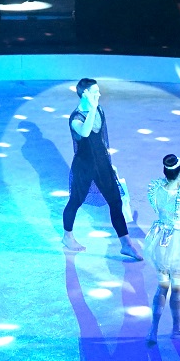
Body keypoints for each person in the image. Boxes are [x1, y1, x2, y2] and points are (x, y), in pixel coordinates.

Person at [61, 78, 142, 260]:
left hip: (102, 164)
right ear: (85, 94)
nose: (99, 94)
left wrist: (108, 162)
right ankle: (67, 236)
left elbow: (102, 139)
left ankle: (126, 244)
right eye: (95, 92)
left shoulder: (99, 109)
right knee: (75, 201)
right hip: (84, 166)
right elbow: (85, 132)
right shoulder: (76, 118)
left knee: (115, 201)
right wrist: (91, 108)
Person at [144, 154, 180, 343]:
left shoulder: (156, 191)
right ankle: (176, 328)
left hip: (160, 243)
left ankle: (153, 330)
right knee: (177, 289)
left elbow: (162, 205)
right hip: (178, 246)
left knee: (162, 287)